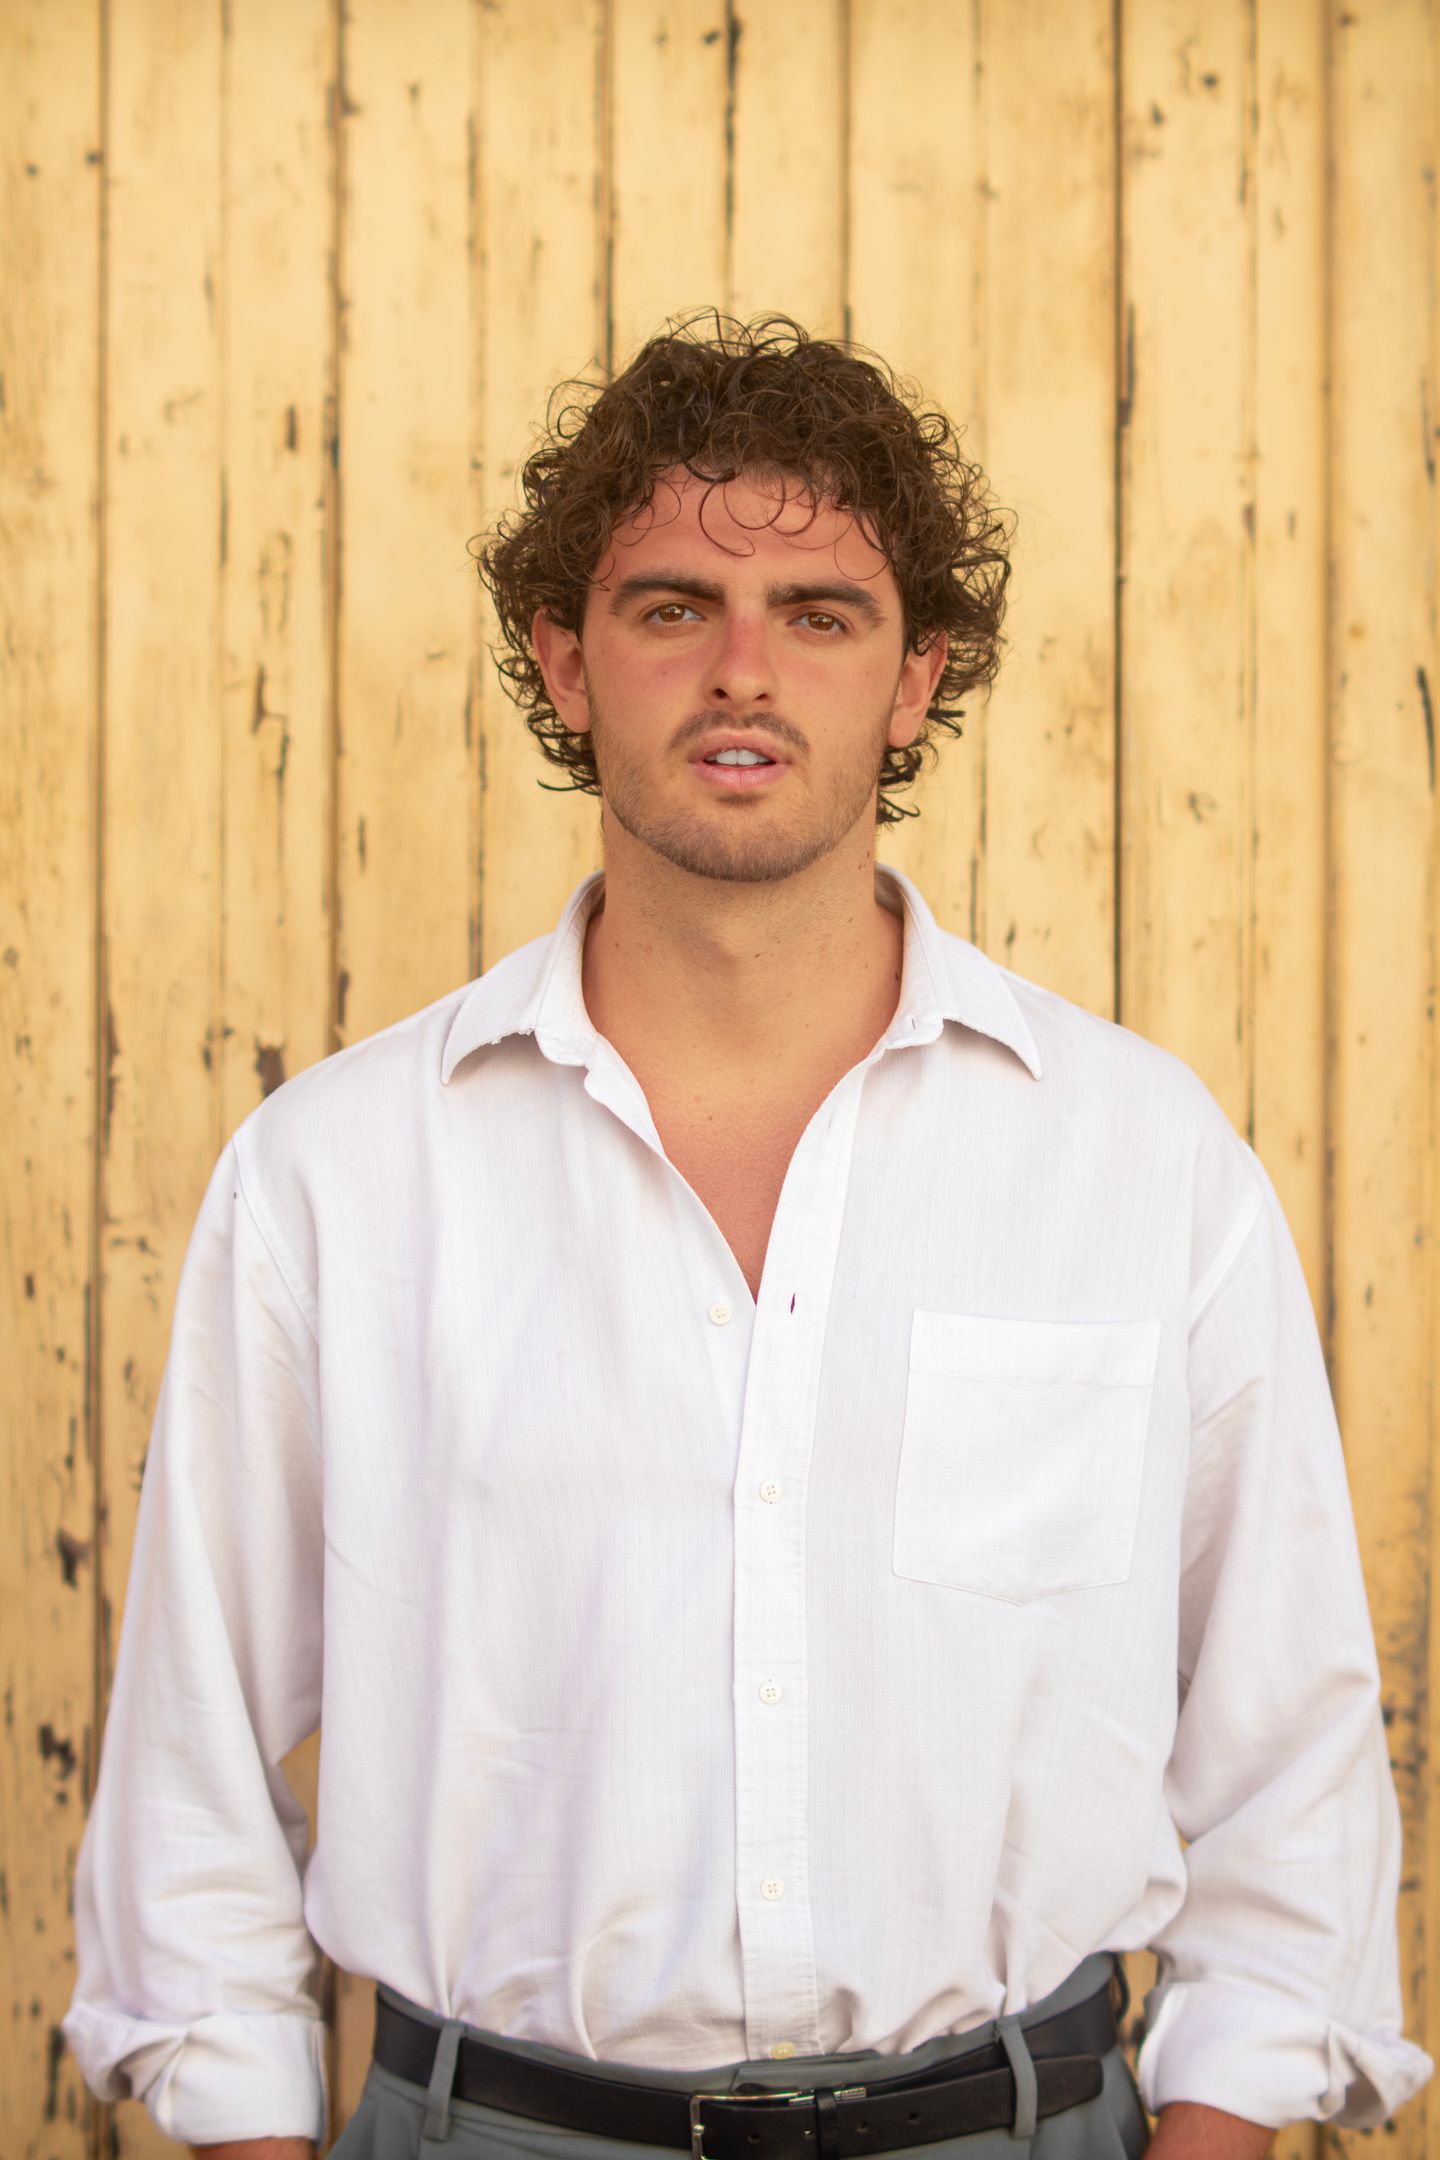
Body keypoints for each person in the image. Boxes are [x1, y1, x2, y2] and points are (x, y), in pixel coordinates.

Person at [62, 311, 1432, 2160]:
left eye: (820, 614)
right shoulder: (336, 1177)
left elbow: (1291, 1771)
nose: (741, 672)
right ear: (564, 661)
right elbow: (193, 1785)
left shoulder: (1139, 1162)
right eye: (670, 605)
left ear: (917, 677)